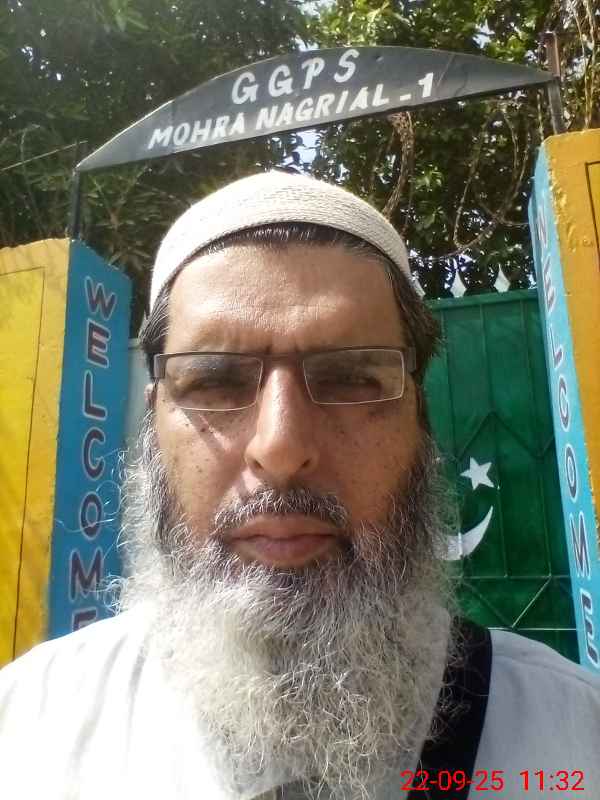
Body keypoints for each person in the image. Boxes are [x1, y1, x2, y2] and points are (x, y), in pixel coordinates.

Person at [0, 170, 599, 800]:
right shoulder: (27, 732)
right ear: (154, 424)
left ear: (419, 422)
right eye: (214, 382)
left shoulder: (575, 748)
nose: (280, 449)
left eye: (351, 379)